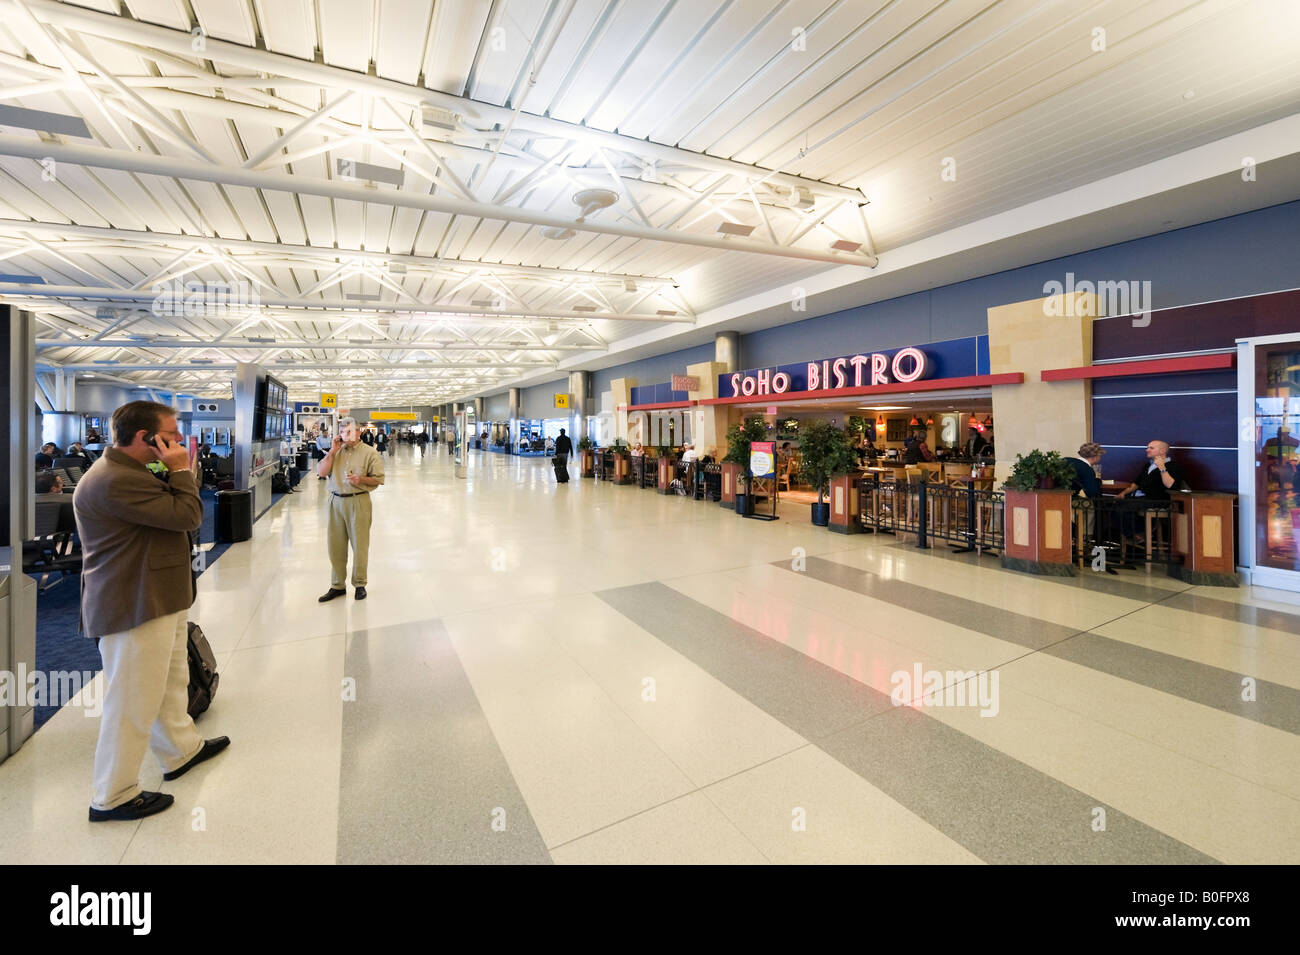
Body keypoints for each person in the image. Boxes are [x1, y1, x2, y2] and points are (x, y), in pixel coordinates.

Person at [73, 400, 229, 822]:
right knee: (132, 699)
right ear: (146, 438)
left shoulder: (133, 471)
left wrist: (176, 470)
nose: (178, 442)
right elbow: (188, 514)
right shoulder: (114, 480)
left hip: (159, 594)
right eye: (172, 435)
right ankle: (113, 794)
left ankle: (181, 750)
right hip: (134, 602)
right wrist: (180, 469)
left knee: (168, 682)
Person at [317, 416, 385, 602]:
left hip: (358, 501)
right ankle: (337, 585)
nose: (344, 435)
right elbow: (321, 472)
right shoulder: (335, 451)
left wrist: (361, 480)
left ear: (358, 431)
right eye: (341, 431)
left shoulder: (369, 453)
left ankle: (360, 584)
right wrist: (332, 451)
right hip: (335, 501)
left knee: (360, 545)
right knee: (335, 546)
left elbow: (378, 479)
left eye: (348, 431)